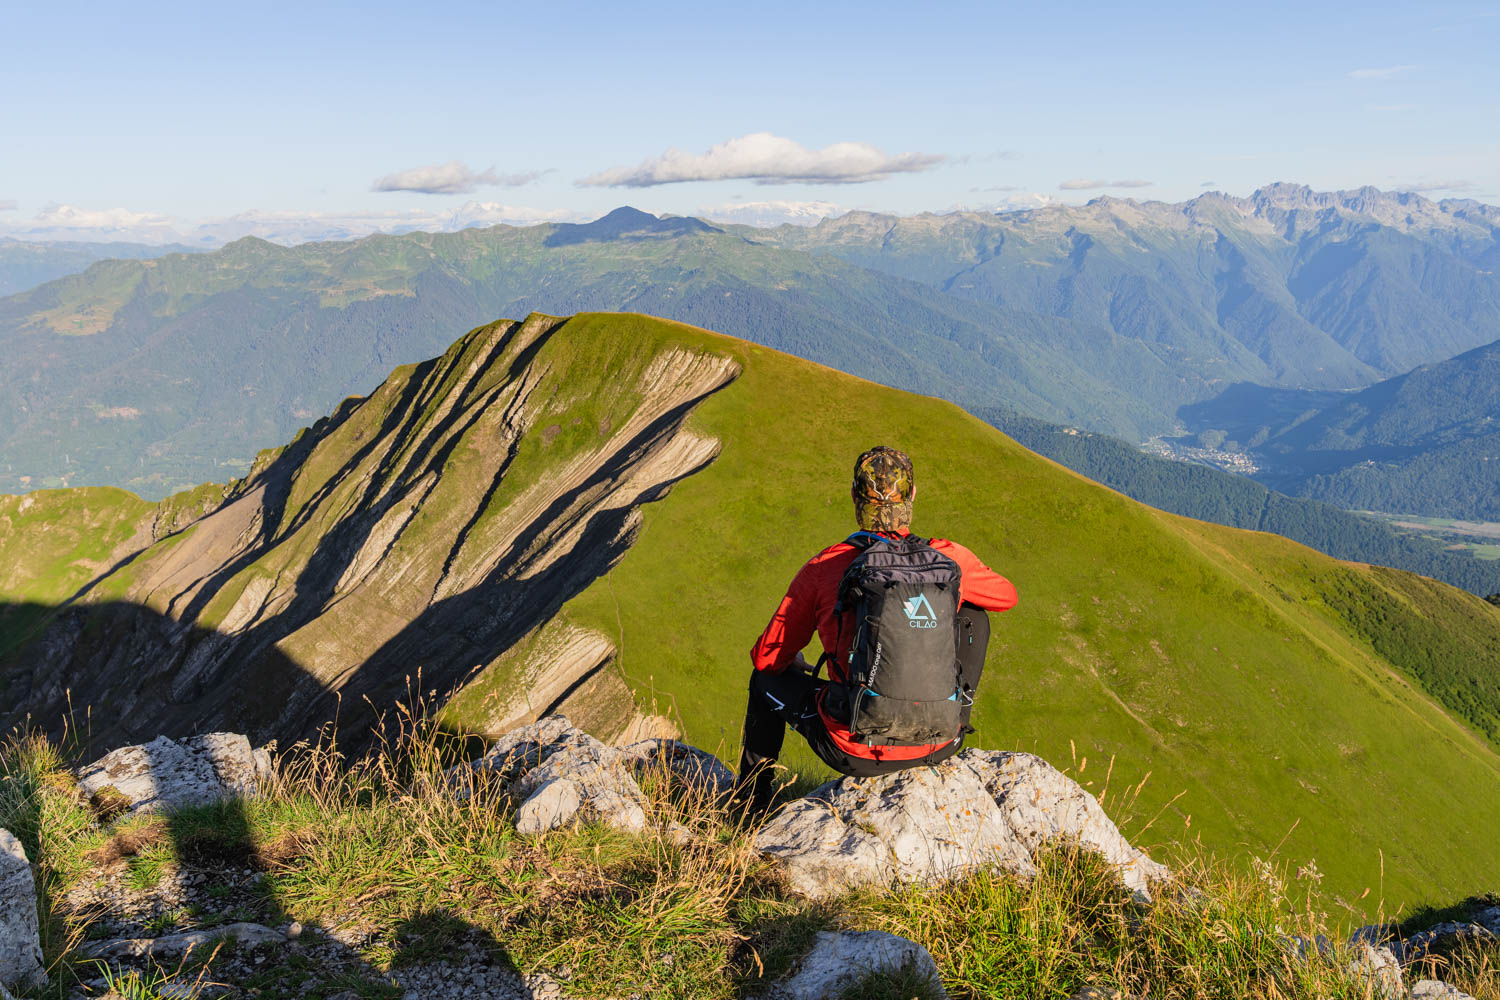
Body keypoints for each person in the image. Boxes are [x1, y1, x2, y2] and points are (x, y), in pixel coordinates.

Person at [735, 446, 1018, 813]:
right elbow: (1006, 596)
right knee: (974, 613)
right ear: (913, 495)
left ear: (854, 497)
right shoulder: (946, 559)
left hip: (852, 748)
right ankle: (952, 715)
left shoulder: (825, 566)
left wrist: (793, 661)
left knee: (763, 681)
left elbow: (766, 657)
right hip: (939, 742)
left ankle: (748, 805)